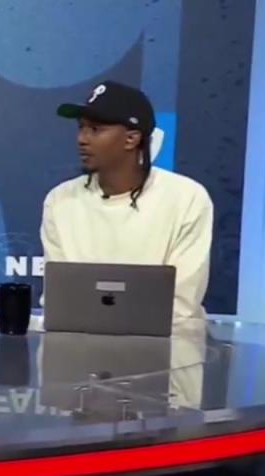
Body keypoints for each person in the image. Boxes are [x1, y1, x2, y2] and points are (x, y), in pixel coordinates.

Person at [40, 81, 214, 320]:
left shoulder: (187, 198)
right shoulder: (60, 200)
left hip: (167, 340)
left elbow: (181, 304)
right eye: (81, 128)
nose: (82, 139)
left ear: (131, 139)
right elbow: (58, 299)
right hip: (80, 338)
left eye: (95, 129)